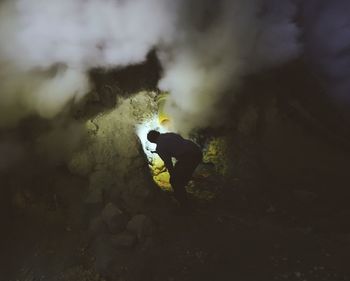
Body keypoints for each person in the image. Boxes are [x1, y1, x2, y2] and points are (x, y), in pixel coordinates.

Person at [147, 130, 202, 208]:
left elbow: (168, 163)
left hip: (189, 157)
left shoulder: (160, 147)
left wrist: (173, 175)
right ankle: (185, 181)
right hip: (196, 150)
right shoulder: (170, 134)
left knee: (175, 182)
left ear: (152, 141)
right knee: (180, 169)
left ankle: (186, 206)